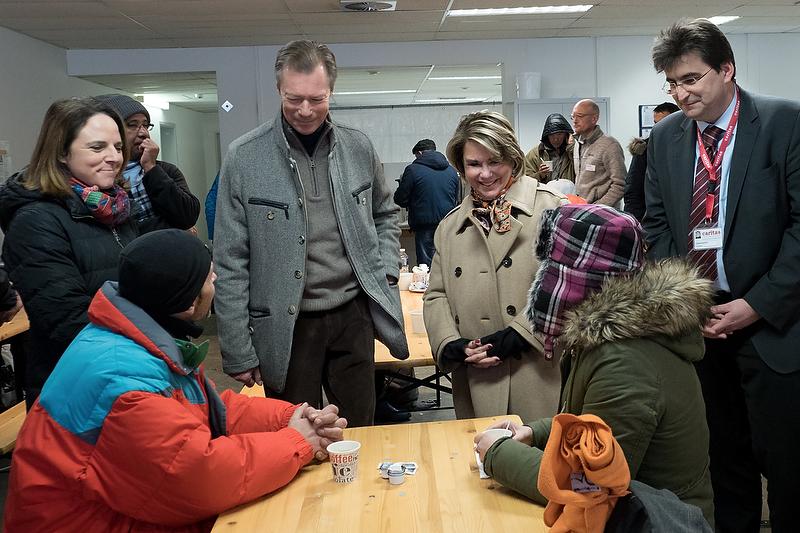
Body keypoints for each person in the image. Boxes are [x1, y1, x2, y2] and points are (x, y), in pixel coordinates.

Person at [4, 229, 347, 532]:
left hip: (107, 509)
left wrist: (292, 419)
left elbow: (210, 410)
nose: (218, 285)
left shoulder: (137, 337)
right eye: (211, 279)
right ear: (188, 301)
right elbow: (199, 476)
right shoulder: (126, 380)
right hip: (86, 522)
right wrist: (295, 443)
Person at [644, 18, 800, 533]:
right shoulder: (665, 138)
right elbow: (659, 225)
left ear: (727, 70)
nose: (680, 92)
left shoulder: (785, 123)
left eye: (691, 79)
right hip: (701, 329)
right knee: (721, 466)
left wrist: (755, 304)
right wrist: (684, 300)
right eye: (672, 83)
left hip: (773, 328)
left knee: (787, 467)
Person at [474, 203, 714, 526]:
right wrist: (536, 432)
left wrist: (497, 453)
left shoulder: (625, 362)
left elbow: (588, 485)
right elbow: (591, 424)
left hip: (656, 522)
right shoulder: (614, 333)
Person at [214, 40, 408, 427]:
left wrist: (384, 270)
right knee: (294, 437)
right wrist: (237, 348)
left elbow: (386, 214)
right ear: (278, 90)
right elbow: (230, 260)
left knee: (359, 432)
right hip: (286, 325)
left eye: (316, 99)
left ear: (332, 91)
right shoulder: (244, 156)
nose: (305, 110)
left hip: (353, 316)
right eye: (294, 98)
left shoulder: (357, 146)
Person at [423, 110, 562, 422]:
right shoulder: (450, 226)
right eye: (474, 164)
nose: (484, 174)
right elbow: (436, 295)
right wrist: (452, 345)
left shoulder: (552, 209)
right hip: (475, 377)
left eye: (493, 161)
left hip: (537, 370)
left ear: (512, 158)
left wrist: (519, 335)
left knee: (536, 464)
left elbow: (569, 286)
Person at [0, 97, 138, 408]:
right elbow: (66, 321)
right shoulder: (36, 220)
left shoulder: (114, 208)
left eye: (117, 147)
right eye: (97, 147)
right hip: (77, 387)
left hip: (127, 372)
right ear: (62, 152)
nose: (114, 157)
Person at [95, 93, 200, 234]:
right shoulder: (102, 175)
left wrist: (151, 168)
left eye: (145, 125)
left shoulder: (166, 170)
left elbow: (187, 216)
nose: (143, 133)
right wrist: (172, 227)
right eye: (132, 125)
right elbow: (123, 232)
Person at [393, 138, 460, 267]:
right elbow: (456, 198)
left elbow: (400, 199)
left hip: (424, 225)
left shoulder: (412, 170)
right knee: (446, 264)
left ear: (420, 153)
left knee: (426, 267)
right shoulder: (452, 171)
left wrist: (412, 203)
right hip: (448, 224)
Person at [624, 102, 679, 221]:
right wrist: (635, 222)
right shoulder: (645, 149)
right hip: (650, 218)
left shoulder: (687, 146)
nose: (658, 128)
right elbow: (633, 189)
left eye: (663, 123)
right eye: (655, 124)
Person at [571, 99, 626, 206]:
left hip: (603, 215)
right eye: (573, 116)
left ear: (594, 119)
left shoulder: (610, 145)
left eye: (580, 116)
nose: (575, 120)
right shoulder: (577, 144)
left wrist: (599, 207)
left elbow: (621, 185)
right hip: (582, 211)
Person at [524, 113, 575, 184]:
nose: (556, 139)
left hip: (569, 193)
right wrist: (540, 175)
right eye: (551, 135)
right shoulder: (536, 153)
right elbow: (525, 180)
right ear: (547, 136)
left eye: (559, 134)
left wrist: (571, 146)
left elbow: (582, 172)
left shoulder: (574, 151)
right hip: (545, 193)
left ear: (566, 134)